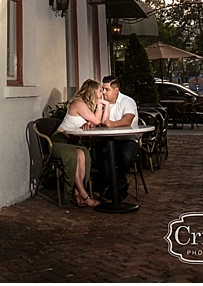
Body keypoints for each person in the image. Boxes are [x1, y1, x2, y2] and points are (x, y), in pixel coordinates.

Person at [53, 78, 109, 207]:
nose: (102, 94)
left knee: (83, 155)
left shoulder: (87, 105)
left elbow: (102, 122)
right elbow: (97, 121)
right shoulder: (79, 103)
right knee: (75, 155)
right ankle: (84, 195)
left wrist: (107, 107)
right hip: (61, 139)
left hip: (73, 141)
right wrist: (100, 106)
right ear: (92, 92)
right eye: (100, 91)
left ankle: (78, 194)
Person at [92, 76, 139, 201]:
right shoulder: (102, 102)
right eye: (102, 89)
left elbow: (127, 120)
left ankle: (116, 186)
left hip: (127, 139)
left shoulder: (127, 101)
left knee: (125, 156)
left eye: (106, 90)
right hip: (108, 139)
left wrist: (112, 124)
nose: (103, 92)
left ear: (116, 90)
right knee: (96, 154)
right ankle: (117, 185)